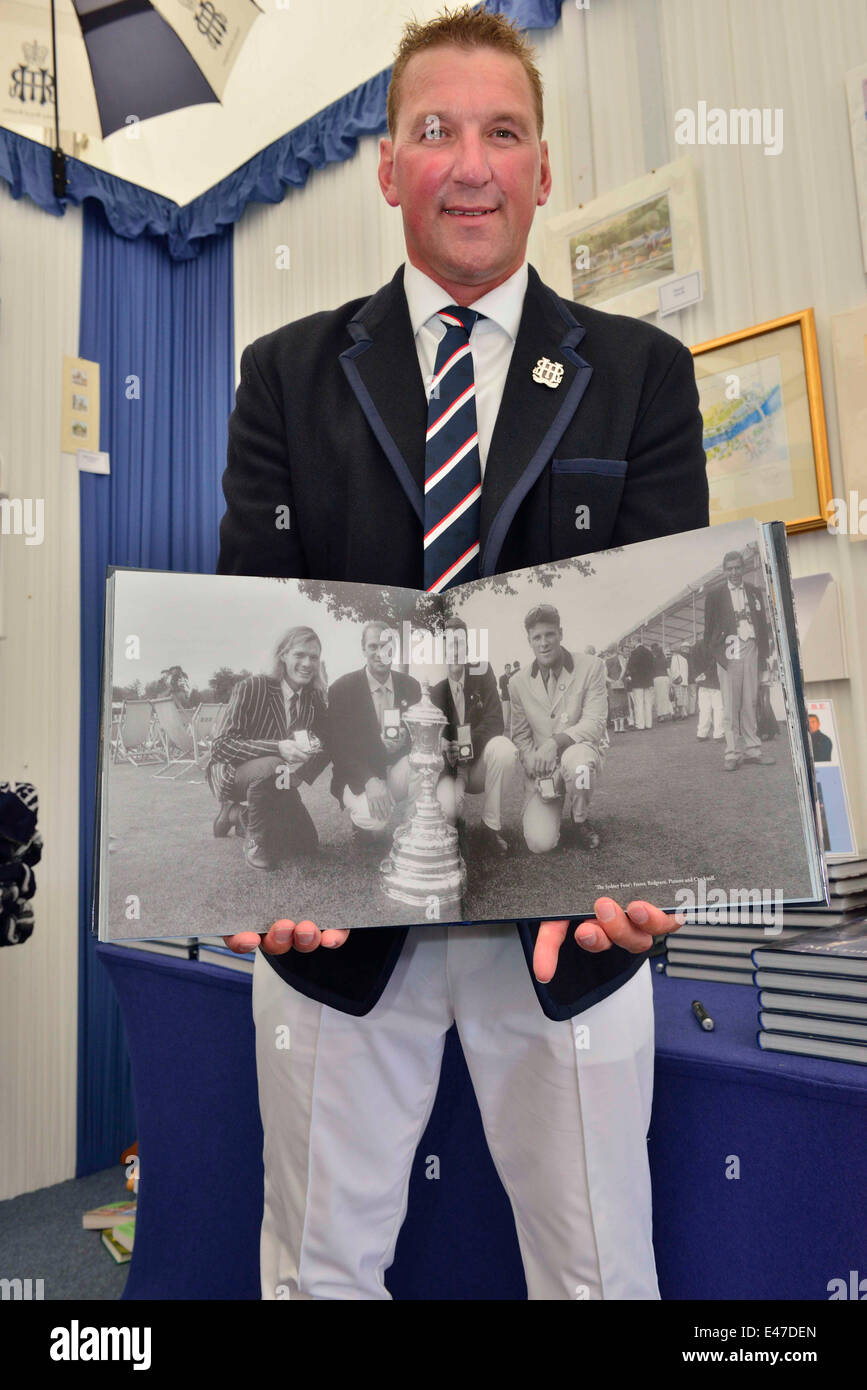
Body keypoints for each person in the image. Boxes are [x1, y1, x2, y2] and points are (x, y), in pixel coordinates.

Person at [217, 6, 707, 1301]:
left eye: (502, 131)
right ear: (385, 166)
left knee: (597, 1272)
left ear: (544, 168)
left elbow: (651, 619)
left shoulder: (643, 375)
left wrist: (650, 859)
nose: (470, 163)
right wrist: (254, 847)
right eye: (433, 130)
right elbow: (255, 621)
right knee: (317, 1271)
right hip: (342, 904)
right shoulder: (282, 373)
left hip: (567, 908)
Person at [206, 626, 330, 869]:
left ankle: (236, 815)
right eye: (300, 655)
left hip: (279, 777)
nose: (307, 663)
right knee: (273, 763)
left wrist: (301, 775)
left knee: (305, 844)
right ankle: (255, 841)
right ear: (283, 655)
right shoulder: (252, 687)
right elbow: (220, 747)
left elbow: (328, 741)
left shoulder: (312, 697)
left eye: (313, 657)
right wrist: (277, 747)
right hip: (235, 773)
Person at [509, 604, 608, 853]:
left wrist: (555, 742)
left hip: (576, 753)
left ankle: (580, 819)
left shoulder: (592, 666)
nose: (544, 643)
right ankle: (551, 811)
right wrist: (531, 760)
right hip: (543, 771)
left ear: (560, 633)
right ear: (529, 641)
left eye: (549, 634)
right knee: (539, 843)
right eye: (537, 637)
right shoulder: (517, 682)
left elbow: (594, 723)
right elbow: (520, 733)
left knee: (581, 765)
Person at [431, 617, 518, 854]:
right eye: (448, 644)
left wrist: (466, 744)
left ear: (467, 648)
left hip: (479, 762)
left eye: (459, 643)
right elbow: (432, 733)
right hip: (453, 768)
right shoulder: (435, 690)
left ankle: (490, 828)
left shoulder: (483, 672)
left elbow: (495, 721)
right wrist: (444, 744)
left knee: (504, 749)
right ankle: (455, 823)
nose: (454, 650)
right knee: (448, 807)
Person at [326, 621, 421, 836]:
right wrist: (368, 780)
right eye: (373, 646)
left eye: (387, 646)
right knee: (375, 821)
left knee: (421, 763)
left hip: (394, 769)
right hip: (358, 775)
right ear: (363, 650)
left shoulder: (411, 686)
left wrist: (407, 739)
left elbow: (418, 738)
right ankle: (361, 821)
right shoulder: (342, 689)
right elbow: (338, 748)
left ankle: (411, 829)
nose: (381, 653)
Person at [703, 550, 774, 771]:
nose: (734, 572)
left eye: (737, 567)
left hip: (751, 646)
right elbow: (709, 630)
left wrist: (764, 656)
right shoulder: (715, 595)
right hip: (729, 649)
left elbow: (762, 624)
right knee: (731, 703)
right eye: (730, 568)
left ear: (743, 568)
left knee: (750, 701)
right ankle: (732, 752)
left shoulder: (754, 591)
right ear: (725, 571)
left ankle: (753, 750)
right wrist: (716, 653)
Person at [692, 635, 724, 741]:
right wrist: (707, 674)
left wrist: (698, 676)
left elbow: (692, 663)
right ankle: (718, 734)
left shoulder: (696, 645)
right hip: (715, 681)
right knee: (718, 708)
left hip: (702, 682)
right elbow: (716, 662)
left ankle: (701, 733)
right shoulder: (715, 644)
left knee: (704, 709)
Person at [624, 637, 654, 730]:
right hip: (648, 681)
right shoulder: (649, 652)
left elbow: (630, 667)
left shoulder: (634, 653)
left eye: (631, 642)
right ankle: (649, 724)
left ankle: (640, 725)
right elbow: (653, 666)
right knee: (648, 703)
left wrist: (630, 675)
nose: (631, 644)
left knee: (639, 704)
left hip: (637, 682)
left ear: (635, 641)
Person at [604, 643, 628, 732]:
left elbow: (604, 675)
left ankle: (616, 727)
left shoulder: (606, 660)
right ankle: (621, 727)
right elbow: (624, 668)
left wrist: (611, 681)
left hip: (611, 685)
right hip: (620, 683)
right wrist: (619, 679)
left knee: (613, 704)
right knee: (621, 703)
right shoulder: (619, 657)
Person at [668, 643, 690, 719]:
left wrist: (672, 680)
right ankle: (684, 713)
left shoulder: (674, 658)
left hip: (678, 681)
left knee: (678, 697)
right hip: (685, 680)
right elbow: (687, 670)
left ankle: (683, 714)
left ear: (674, 652)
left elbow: (674, 670)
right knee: (683, 697)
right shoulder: (684, 659)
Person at [652, 643, 672, 721]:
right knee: (666, 696)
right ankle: (672, 712)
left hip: (657, 679)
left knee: (659, 698)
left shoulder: (653, 660)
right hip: (665, 678)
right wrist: (671, 679)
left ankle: (661, 716)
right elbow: (668, 670)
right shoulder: (665, 659)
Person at [498, 661, 512, 727]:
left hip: (512, 699)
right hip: (505, 699)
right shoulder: (502, 677)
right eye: (507, 668)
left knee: (512, 716)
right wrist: (508, 684)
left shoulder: (512, 677)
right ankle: (503, 730)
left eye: (509, 668)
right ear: (505, 669)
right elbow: (500, 686)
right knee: (505, 716)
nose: (508, 669)